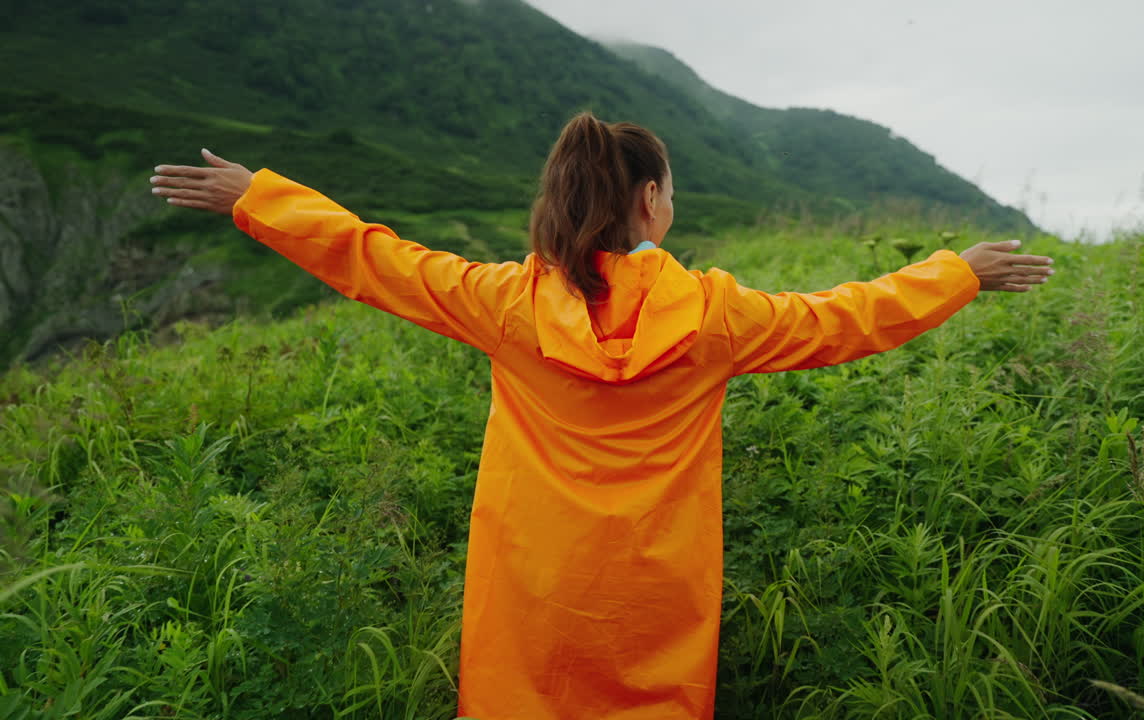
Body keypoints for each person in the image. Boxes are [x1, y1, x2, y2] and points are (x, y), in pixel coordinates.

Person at [151, 112, 1054, 719]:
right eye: (672, 191)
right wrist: (958, 271)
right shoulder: (717, 316)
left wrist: (259, 199)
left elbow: (375, 258)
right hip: (654, 603)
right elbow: (847, 316)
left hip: (532, 599)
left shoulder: (506, 304)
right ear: (651, 202)